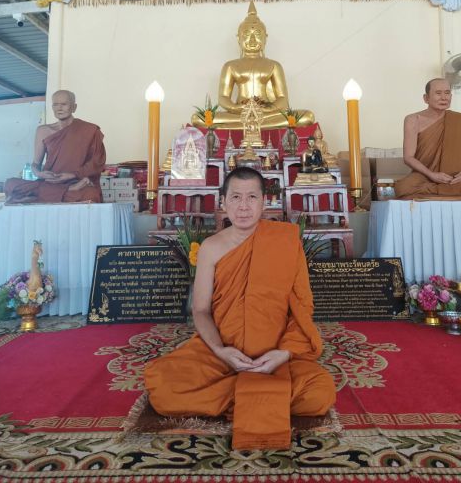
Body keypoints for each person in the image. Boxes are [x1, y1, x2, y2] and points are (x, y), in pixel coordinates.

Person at [144, 167, 336, 450]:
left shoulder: (285, 241)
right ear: (223, 202)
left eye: (251, 197)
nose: (243, 206)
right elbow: (200, 310)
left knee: (320, 391)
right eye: (235, 197)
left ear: (264, 202)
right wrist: (221, 350)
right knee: (163, 386)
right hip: (221, 351)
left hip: (275, 353)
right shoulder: (211, 248)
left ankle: (242, 397)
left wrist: (283, 353)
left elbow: (302, 306)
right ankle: (264, 397)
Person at [191, 1, 315, 129]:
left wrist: (267, 109)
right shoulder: (230, 66)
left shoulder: (274, 65)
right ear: (238, 38)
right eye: (246, 35)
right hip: (239, 114)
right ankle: (260, 125)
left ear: (265, 38)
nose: (252, 40)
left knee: (307, 116)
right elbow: (223, 97)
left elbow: (282, 99)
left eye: (257, 35)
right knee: (198, 118)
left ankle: (247, 126)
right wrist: (236, 108)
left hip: (267, 114)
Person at [5, 90, 106, 203]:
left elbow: (97, 162)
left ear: (74, 107)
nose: (59, 108)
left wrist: (72, 175)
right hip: (50, 183)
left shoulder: (89, 130)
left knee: (91, 194)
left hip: (76, 181)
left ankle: (37, 197)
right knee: (10, 184)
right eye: (55, 104)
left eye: (64, 104)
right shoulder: (43, 131)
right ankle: (67, 190)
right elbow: (35, 164)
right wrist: (39, 173)